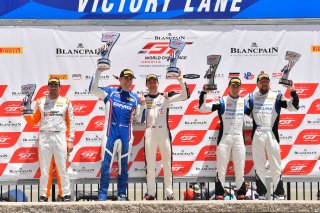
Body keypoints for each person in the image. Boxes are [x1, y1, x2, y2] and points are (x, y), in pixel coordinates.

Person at [89, 67, 143, 201]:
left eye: (130, 79)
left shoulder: (135, 98)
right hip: (110, 134)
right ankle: (102, 195)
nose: (128, 81)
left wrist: (143, 105)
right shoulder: (110, 92)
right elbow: (92, 89)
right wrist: (98, 72)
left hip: (126, 136)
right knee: (106, 165)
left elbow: (140, 119)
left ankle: (122, 194)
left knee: (123, 166)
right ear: (119, 79)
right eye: (125, 78)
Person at [246, 72, 299, 200]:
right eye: (261, 81)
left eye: (266, 81)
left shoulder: (277, 96)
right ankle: (262, 193)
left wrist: (292, 91)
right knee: (259, 165)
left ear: (269, 83)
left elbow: (294, 107)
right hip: (257, 133)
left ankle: (279, 193)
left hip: (272, 133)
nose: (264, 83)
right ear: (257, 83)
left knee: (275, 164)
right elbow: (241, 110)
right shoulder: (250, 97)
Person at [23, 77, 74, 202]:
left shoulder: (66, 101)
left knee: (62, 167)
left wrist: (71, 140)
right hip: (44, 136)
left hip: (60, 136)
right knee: (45, 169)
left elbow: (71, 122)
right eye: (51, 85)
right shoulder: (40, 102)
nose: (53, 87)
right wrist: (25, 111)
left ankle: (65, 194)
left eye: (56, 85)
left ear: (60, 87)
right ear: (47, 87)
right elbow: (33, 120)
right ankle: (43, 195)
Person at [142, 72, 189, 200]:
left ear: (157, 83)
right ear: (146, 84)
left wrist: (180, 80)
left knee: (167, 164)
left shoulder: (165, 97)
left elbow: (185, 95)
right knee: (150, 165)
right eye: (149, 81)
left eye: (154, 81)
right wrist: (140, 104)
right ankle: (151, 193)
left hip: (164, 133)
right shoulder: (142, 98)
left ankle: (169, 194)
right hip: (150, 133)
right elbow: (136, 115)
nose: (152, 84)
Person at [199, 77, 248, 200]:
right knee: (221, 168)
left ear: (240, 87)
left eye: (237, 86)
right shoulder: (222, 101)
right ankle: (219, 193)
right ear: (229, 87)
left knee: (240, 167)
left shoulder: (245, 102)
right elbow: (202, 108)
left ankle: (241, 193)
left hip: (239, 138)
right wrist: (204, 93)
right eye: (233, 85)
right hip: (224, 139)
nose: (235, 88)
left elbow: (258, 114)